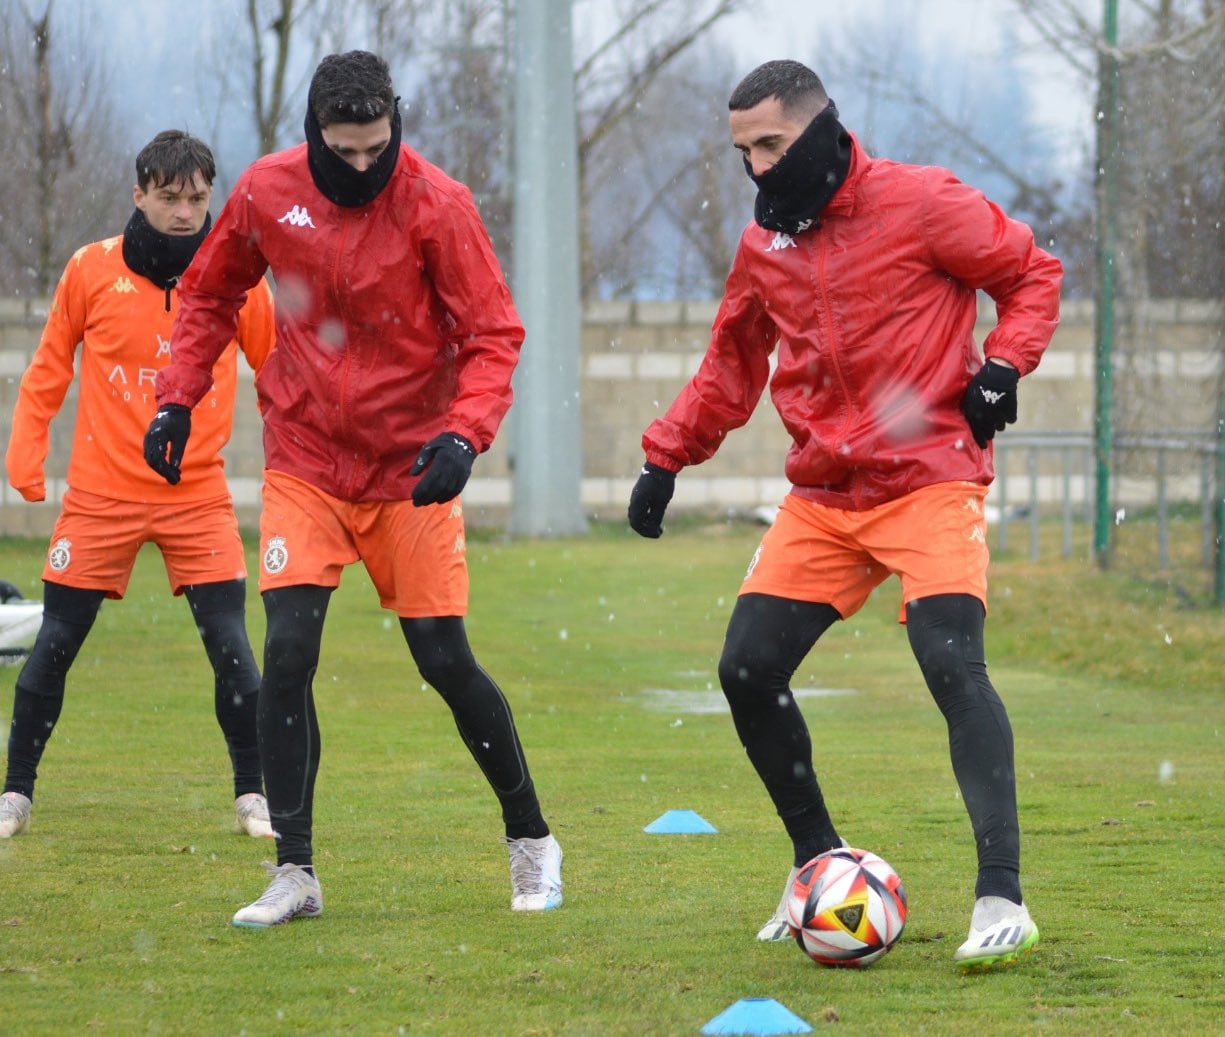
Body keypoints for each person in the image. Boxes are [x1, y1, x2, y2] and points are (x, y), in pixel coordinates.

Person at [627, 60, 1061, 971]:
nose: (754, 168)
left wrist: (1002, 364)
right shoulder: (763, 247)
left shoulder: (922, 202)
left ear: (820, 129)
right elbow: (729, 370)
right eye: (741, 150)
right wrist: (665, 456)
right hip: (825, 497)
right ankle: (815, 863)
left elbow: (1032, 273)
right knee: (745, 669)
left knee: (948, 660)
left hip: (931, 473)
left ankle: (1001, 895)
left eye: (770, 145)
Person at [143, 50, 563, 928]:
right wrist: (176, 397)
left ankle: (530, 837)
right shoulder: (265, 192)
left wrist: (463, 432)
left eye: (378, 147)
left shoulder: (438, 205)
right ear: (314, 133)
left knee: (442, 660)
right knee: (287, 652)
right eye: (346, 150)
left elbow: (493, 333)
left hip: (411, 467)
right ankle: (295, 868)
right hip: (306, 460)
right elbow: (211, 294)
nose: (365, 165)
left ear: (395, 124)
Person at [2, 131, 275, 841]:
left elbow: (283, 378)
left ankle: (253, 793)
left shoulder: (237, 280)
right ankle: (14, 794)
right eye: (168, 197)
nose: (184, 213)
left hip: (197, 495)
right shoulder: (90, 270)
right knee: (55, 642)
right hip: (100, 495)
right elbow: (48, 369)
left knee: (232, 647)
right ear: (139, 195)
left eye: (196, 198)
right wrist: (25, 455)